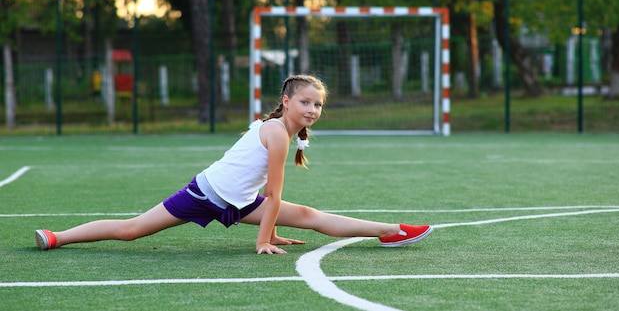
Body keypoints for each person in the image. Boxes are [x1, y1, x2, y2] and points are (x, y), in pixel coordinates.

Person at [35, 74, 431, 254]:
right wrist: (263, 239)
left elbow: (264, 191)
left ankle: (392, 231)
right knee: (131, 231)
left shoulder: (282, 130)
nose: (312, 109)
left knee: (309, 214)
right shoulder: (277, 131)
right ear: (288, 101)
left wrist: (270, 231)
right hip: (207, 194)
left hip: (238, 199)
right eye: (306, 102)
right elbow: (273, 195)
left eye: (318, 104)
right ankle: (57, 236)